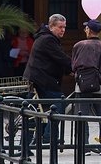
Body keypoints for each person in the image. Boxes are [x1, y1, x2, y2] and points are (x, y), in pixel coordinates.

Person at [23, 14, 72, 144]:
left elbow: (56, 60)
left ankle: (27, 144)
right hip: (42, 80)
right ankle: (48, 136)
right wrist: (75, 67)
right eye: (60, 27)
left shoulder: (46, 38)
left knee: (32, 113)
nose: (63, 30)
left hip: (37, 78)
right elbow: (61, 58)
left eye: (64, 27)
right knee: (60, 103)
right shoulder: (48, 40)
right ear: (51, 27)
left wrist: (69, 70)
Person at [72, 19, 101, 156]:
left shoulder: (79, 45)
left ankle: (85, 147)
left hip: (82, 86)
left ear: (89, 30)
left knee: (82, 117)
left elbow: (74, 66)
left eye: (86, 28)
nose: (85, 30)